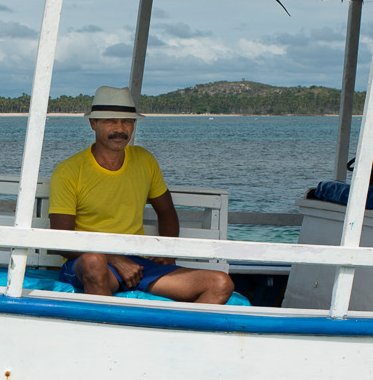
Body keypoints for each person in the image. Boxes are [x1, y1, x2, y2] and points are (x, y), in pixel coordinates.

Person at [49, 88, 235, 305]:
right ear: (93, 124)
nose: (120, 128)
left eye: (127, 121)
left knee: (220, 283)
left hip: (138, 263)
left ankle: (173, 336)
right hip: (89, 263)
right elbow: (61, 238)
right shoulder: (69, 171)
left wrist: (167, 251)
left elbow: (165, 210)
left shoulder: (144, 160)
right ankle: (105, 335)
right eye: (111, 121)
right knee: (93, 261)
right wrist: (114, 258)